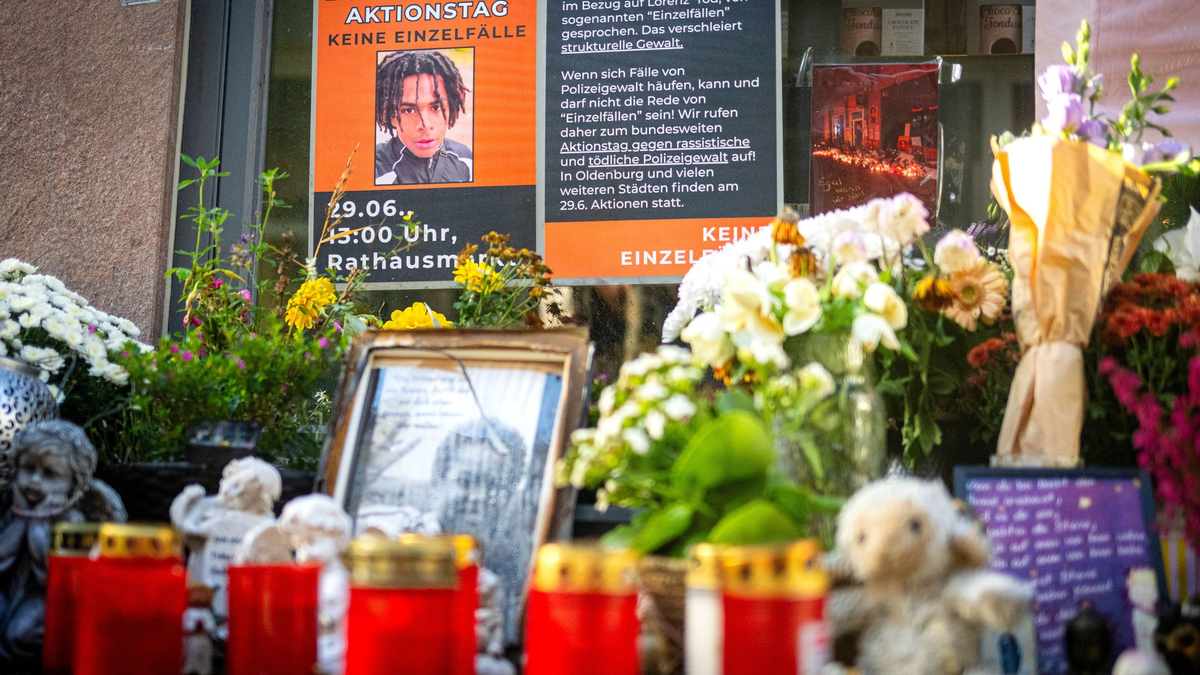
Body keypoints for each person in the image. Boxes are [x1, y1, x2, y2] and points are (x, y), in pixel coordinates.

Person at [375, 50, 473, 185]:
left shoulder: (465, 159)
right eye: (409, 110)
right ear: (391, 115)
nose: (425, 124)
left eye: (436, 107)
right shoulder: (376, 168)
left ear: (451, 107)